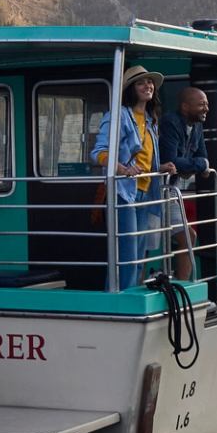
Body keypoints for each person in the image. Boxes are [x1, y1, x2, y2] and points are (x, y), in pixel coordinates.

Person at [91, 65, 169, 290]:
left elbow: (144, 158)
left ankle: (129, 295)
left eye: (150, 82)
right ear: (130, 89)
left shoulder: (150, 118)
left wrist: (161, 166)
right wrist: (122, 169)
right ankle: (118, 300)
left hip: (145, 190)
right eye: (141, 83)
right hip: (124, 192)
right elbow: (98, 153)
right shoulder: (118, 116)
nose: (148, 86)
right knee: (128, 251)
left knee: (139, 254)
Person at [158, 87, 212, 279]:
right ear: (185, 107)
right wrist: (198, 165)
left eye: (206, 103)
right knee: (146, 244)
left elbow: (203, 158)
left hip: (173, 191)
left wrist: (195, 165)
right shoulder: (170, 122)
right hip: (158, 190)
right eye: (201, 104)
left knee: (190, 236)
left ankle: (182, 286)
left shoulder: (197, 125)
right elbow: (171, 160)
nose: (206, 108)